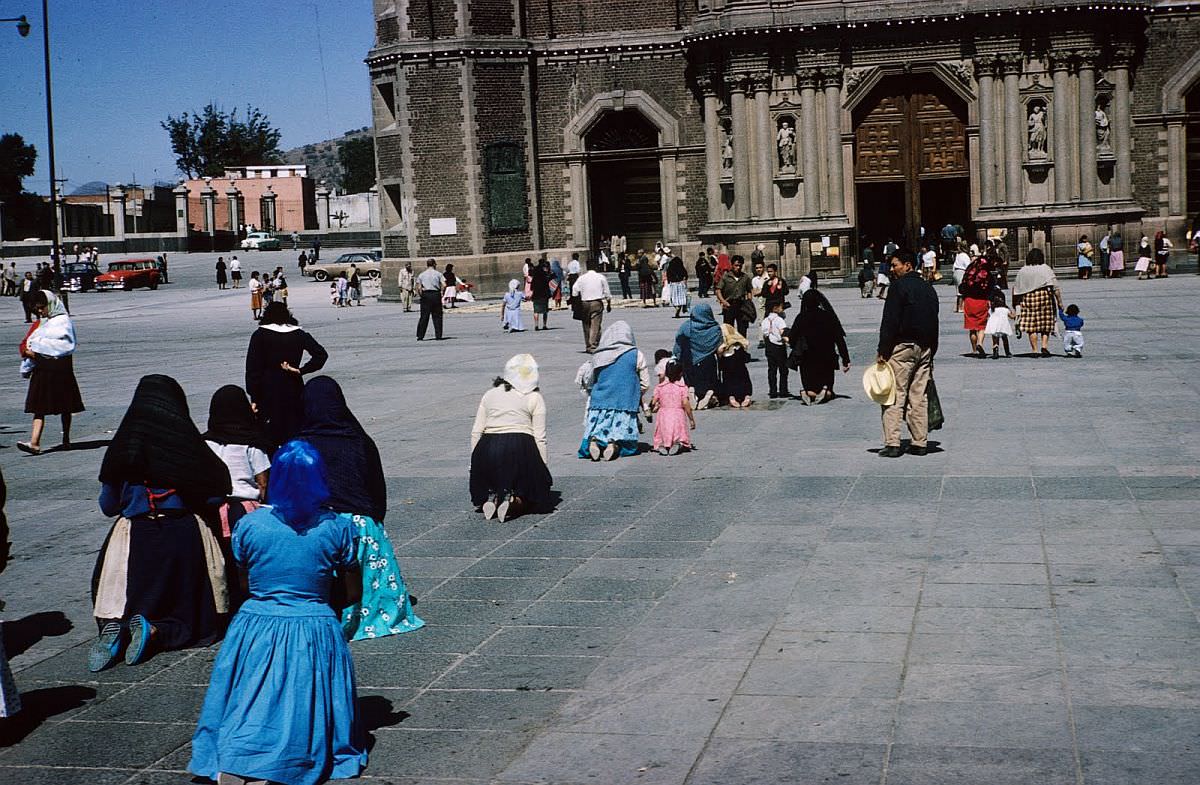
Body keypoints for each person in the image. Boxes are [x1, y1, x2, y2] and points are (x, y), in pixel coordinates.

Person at [189, 440, 367, 785]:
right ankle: (281, 761)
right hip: (312, 621)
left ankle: (237, 755)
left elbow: (243, 582)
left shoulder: (251, 525)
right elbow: (352, 592)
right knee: (300, 702)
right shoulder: (337, 527)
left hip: (256, 622)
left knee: (250, 694)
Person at [90, 375, 232, 671]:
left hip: (137, 532)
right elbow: (215, 494)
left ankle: (119, 623)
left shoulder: (123, 450)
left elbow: (108, 505)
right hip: (183, 533)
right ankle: (156, 630)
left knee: (123, 584)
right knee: (194, 615)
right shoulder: (188, 447)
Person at [298, 376, 423, 641]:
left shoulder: (301, 445)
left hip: (317, 525)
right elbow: (377, 488)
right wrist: (374, 520)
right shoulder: (358, 441)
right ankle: (372, 616)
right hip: (361, 525)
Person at [470, 354, 553, 521]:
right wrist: (542, 467)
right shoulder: (534, 397)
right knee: (533, 493)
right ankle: (513, 500)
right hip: (520, 445)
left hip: (486, 446)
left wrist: (474, 463)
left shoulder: (489, 394)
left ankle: (491, 496)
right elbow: (540, 437)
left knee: (495, 475)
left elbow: (476, 431)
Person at [876, 251, 939, 457]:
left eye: (895, 265)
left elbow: (890, 321)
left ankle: (893, 443)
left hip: (902, 348)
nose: (892, 270)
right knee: (919, 396)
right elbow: (934, 320)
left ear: (908, 265)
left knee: (894, 394)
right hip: (925, 348)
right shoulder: (928, 288)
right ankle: (919, 442)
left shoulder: (898, 287)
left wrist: (883, 351)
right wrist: (931, 351)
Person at [245, 302, 329, 447]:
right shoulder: (298, 333)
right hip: (293, 386)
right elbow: (321, 355)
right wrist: (301, 370)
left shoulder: (260, 335)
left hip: (268, 390)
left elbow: (253, 369)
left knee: (270, 433)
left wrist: (254, 396)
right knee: (293, 428)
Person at [17, 291, 84, 454]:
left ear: (51, 305)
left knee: (65, 406)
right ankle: (34, 443)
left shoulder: (63, 321)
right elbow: (31, 341)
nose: (40, 311)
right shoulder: (44, 322)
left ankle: (66, 438)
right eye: (37, 309)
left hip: (60, 371)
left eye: (42, 308)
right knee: (38, 408)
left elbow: (65, 346)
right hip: (42, 370)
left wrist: (38, 348)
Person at [203, 385, 271, 541]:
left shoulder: (205, 442)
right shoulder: (252, 443)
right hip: (247, 509)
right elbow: (263, 483)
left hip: (215, 509)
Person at [576, 321, 649, 461]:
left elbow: (591, 379)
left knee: (599, 425)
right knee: (620, 429)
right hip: (625, 400)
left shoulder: (599, 355)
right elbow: (645, 383)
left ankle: (594, 442)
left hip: (600, 399)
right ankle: (613, 444)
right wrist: (636, 393)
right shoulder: (636, 354)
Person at [789, 288, 850, 405]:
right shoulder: (828, 316)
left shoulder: (801, 317)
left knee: (810, 388)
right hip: (826, 358)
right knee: (828, 389)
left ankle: (806, 393)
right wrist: (845, 359)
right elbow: (839, 339)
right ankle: (825, 391)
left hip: (807, 360)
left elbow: (792, 338)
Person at [1012, 248, 1063, 357]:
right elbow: (1055, 287)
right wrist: (1059, 302)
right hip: (1044, 298)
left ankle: (1035, 350)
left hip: (1028, 299)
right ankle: (1044, 346)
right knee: (1046, 323)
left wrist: (1015, 304)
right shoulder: (1046, 269)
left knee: (1031, 326)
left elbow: (1016, 288)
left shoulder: (1023, 270)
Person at [674, 302, 723, 410]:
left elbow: (678, 343)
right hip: (708, 361)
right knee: (709, 380)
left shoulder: (687, 326)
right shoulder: (715, 328)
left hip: (690, 360)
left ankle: (691, 390)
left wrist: (677, 356)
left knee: (691, 379)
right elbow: (719, 345)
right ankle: (709, 393)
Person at [651, 359, 695, 455]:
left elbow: (654, 401)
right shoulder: (682, 388)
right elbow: (685, 403)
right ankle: (678, 443)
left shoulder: (660, 387)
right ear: (681, 374)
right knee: (678, 431)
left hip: (663, 414)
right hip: (678, 414)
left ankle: (663, 444)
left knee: (664, 431)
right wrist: (691, 419)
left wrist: (654, 407)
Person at [571, 259, 612, 353]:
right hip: (597, 302)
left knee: (586, 324)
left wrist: (576, 299)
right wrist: (609, 303)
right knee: (595, 325)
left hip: (584, 303)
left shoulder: (582, 278)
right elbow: (607, 292)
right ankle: (593, 344)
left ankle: (588, 345)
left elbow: (574, 289)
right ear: (596, 267)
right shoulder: (600, 277)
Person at [959, 252, 994, 358]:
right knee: (981, 326)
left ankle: (974, 349)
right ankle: (980, 343)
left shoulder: (970, 273)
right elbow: (991, 289)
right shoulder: (987, 274)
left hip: (969, 301)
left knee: (972, 327)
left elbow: (962, 286)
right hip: (981, 301)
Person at [715, 255, 753, 336]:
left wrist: (749, 302)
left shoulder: (745, 277)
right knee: (729, 329)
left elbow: (749, 290)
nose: (738, 267)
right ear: (732, 265)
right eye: (736, 265)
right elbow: (718, 290)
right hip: (729, 305)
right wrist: (723, 301)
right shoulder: (725, 277)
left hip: (742, 305)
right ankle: (731, 347)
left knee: (742, 329)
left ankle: (741, 347)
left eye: (740, 265)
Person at [717, 324, 753, 408]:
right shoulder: (739, 342)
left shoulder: (723, 343)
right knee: (743, 378)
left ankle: (731, 396)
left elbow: (720, 352)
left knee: (728, 379)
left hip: (727, 361)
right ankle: (746, 396)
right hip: (739, 361)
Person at [761, 300, 790, 398]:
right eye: (781, 307)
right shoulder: (779, 320)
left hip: (769, 346)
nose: (782, 309)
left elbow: (765, 334)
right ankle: (783, 390)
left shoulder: (765, 320)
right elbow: (783, 332)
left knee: (772, 369)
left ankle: (772, 391)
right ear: (775, 308)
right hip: (779, 346)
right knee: (783, 369)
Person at [416, 258, 445, 340]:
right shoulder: (438, 274)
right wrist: (442, 292)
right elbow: (444, 284)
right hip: (435, 294)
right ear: (434, 264)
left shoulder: (422, 274)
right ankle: (438, 335)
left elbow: (419, 287)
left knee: (424, 316)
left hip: (426, 295)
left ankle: (420, 335)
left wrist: (421, 295)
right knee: (437, 316)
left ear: (427, 265)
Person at [985, 288, 1015, 359]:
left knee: (995, 339)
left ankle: (995, 350)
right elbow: (1012, 316)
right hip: (1003, 326)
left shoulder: (992, 309)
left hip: (994, 326)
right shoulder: (1005, 309)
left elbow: (988, 316)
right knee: (1005, 339)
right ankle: (1007, 352)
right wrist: (1014, 312)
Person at [529, 258, 551, 330]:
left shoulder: (535, 272)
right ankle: (544, 325)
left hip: (536, 294)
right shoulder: (544, 273)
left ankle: (536, 325)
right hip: (544, 294)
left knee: (536, 310)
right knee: (545, 310)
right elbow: (547, 282)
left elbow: (532, 285)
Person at [665, 254, 689, 318]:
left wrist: (669, 281)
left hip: (673, 284)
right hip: (681, 283)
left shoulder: (670, 267)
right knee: (681, 298)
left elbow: (668, 276)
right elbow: (685, 275)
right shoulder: (681, 267)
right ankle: (679, 308)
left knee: (674, 297)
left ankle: (676, 307)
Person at [952, 243, 972, 313]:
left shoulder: (958, 255)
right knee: (961, 291)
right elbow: (968, 266)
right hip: (961, 272)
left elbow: (954, 265)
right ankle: (960, 307)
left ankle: (957, 307)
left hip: (956, 272)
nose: (957, 248)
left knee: (958, 290)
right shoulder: (965, 256)